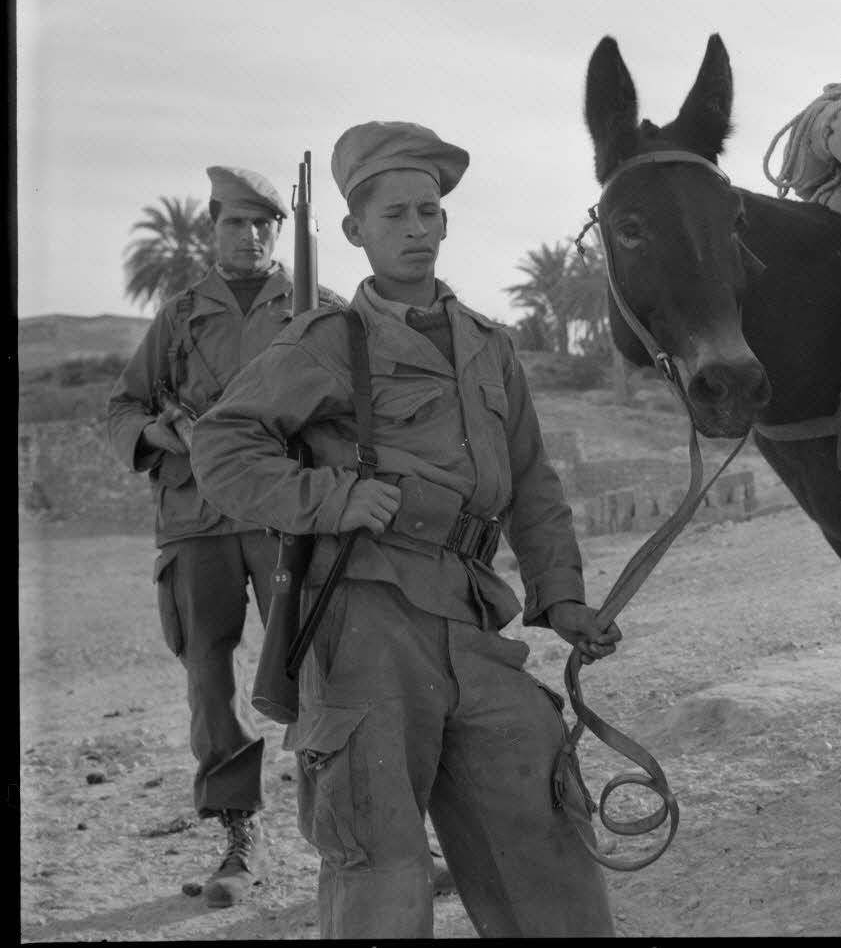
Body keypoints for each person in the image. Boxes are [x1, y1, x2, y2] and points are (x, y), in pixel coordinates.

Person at [189, 121, 620, 939]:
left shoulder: (490, 348)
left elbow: (532, 486)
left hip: (470, 616)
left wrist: (561, 599)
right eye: (395, 216)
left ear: (448, 223)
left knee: (541, 823)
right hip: (366, 620)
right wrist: (329, 497)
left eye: (429, 212)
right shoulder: (325, 342)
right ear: (355, 232)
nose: (417, 229)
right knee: (377, 853)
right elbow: (221, 443)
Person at [106, 166, 330, 906]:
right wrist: (165, 438)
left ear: (280, 232)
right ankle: (239, 834)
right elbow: (122, 410)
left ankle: (348, 829)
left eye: (265, 223)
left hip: (277, 511)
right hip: (196, 518)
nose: (252, 234)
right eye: (236, 222)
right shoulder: (177, 316)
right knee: (208, 677)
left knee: (316, 667)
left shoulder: (312, 308)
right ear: (213, 229)